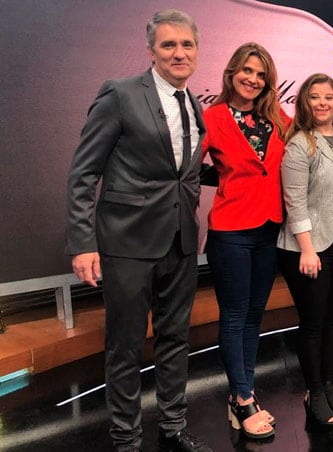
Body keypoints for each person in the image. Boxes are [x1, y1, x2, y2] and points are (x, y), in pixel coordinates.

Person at [65, 9, 212, 452]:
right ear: (150, 51)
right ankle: (126, 439)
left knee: (175, 339)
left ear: (196, 51)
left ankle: (172, 426)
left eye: (186, 44)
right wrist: (82, 242)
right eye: (168, 45)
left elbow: (180, 171)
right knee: (125, 347)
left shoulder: (194, 103)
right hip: (127, 243)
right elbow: (83, 173)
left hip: (182, 241)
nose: (179, 53)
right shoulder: (120, 94)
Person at [201, 42, 291, 439]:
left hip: (270, 227)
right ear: (232, 72)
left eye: (261, 74)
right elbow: (185, 167)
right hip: (231, 230)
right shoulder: (213, 116)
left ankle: (243, 394)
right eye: (247, 71)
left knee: (255, 316)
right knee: (235, 315)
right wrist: (221, 180)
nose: (253, 80)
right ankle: (242, 398)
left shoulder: (277, 117)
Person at [277, 73, 333, 428]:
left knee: (331, 321)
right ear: (305, 103)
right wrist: (307, 250)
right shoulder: (299, 144)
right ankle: (313, 393)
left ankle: (327, 388)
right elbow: (294, 202)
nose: (323, 103)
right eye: (315, 97)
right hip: (307, 249)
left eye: (329, 97)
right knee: (313, 323)